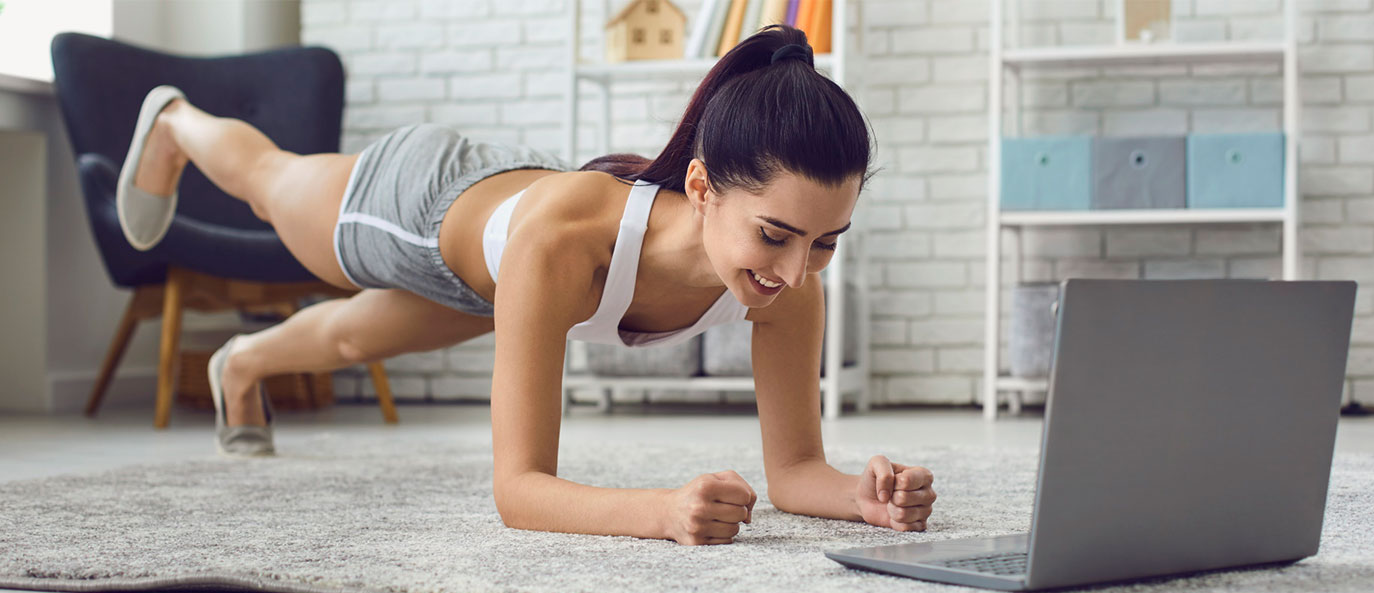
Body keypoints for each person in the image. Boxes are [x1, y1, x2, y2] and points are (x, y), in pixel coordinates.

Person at [116, 24, 936, 545]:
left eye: (827, 241)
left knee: (350, 338)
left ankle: (242, 365)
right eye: (775, 235)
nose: (795, 272)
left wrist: (864, 497)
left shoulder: (791, 283)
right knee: (271, 183)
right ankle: (174, 122)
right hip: (421, 204)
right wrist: (660, 512)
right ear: (700, 188)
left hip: (504, 245)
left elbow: (795, 474)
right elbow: (518, 492)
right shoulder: (564, 246)